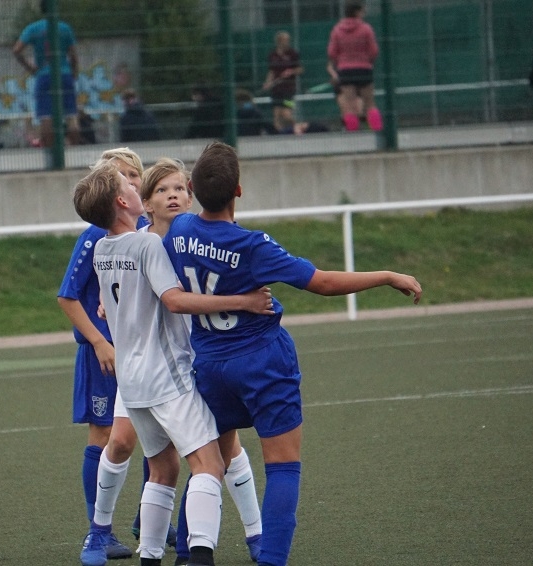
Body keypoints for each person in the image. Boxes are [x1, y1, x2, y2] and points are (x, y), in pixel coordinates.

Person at [163, 142, 422, 566]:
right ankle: (271, 560)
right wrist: (387, 275)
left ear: (190, 188)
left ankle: (190, 555)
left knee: (207, 461)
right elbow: (321, 282)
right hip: (262, 361)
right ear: (239, 191)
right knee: (282, 464)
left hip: (208, 365)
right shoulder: (252, 246)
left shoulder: (181, 230)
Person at [72, 159, 274, 566]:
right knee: (208, 464)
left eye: (179, 188)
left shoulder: (105, 247)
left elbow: (117, 302)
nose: (171, 195)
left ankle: (153, 555)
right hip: (168, 374)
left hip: (133, 380)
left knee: (163, 468)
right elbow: (174, 299)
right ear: (133, 202)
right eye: (153, 188)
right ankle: (198, 555)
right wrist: (244, 301)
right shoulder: (148, 244)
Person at [58, 148, 147, 564]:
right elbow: (68, 296)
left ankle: (149, 518)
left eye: (134, 174)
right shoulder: (96, 232)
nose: (130, 181)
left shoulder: (148, 231)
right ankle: (101, 530)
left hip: (144, 353)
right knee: (104, 437)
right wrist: (98, 341)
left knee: (155, 437)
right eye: (121, 176)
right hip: (104, 356)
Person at [12, 0, 81, 148]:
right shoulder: (65, 28)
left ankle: (51, 151)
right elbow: (74, 56)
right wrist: (74, 73)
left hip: (43, 75)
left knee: (46, 116)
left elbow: (16, 50)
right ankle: (75, 150)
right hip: (64, 73)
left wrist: (31, 68)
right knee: (71, 114)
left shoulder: (33, 28)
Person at [327, 2, 382, 132]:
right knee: (369, 103)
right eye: (362, 11)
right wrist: (368, 60)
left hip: (345, 70)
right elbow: (374, 50)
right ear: (357, 12)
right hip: (363, 68)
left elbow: (332, 52)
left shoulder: (337, 30)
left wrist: (341, 60)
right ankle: (377, 131)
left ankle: (353, 133)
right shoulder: (366, 28)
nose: (364, 14)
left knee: (349, 104)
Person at [262, 31, 304, 133]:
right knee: (276, 114)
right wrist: (267, 83)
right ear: (279, 41)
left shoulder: (292, 54)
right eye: (285, 40)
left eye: (288, 40)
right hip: (276, 89)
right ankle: (279, 134)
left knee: (286, 114)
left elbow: (300, 69)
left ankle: (299, 128)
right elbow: (271, 71)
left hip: (289, 89)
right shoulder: (273, 55)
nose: (287, 42)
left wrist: (291, 71)